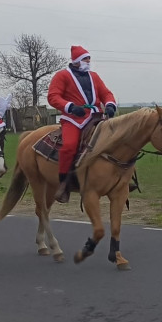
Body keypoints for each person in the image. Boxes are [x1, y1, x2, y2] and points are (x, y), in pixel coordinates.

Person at [46, 45, 118, 203]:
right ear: (77, 61)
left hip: (96, 116)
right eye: (86, 59)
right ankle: (64, 182)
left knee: (116, 140)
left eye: (89, 58)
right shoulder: (62, 76)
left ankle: (119, 178)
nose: (88, 61)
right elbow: (53, 96)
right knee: (69, 146)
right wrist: (70, 107)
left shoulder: (94, 76)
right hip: (74, 119)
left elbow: (106, 93)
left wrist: (110, 104)